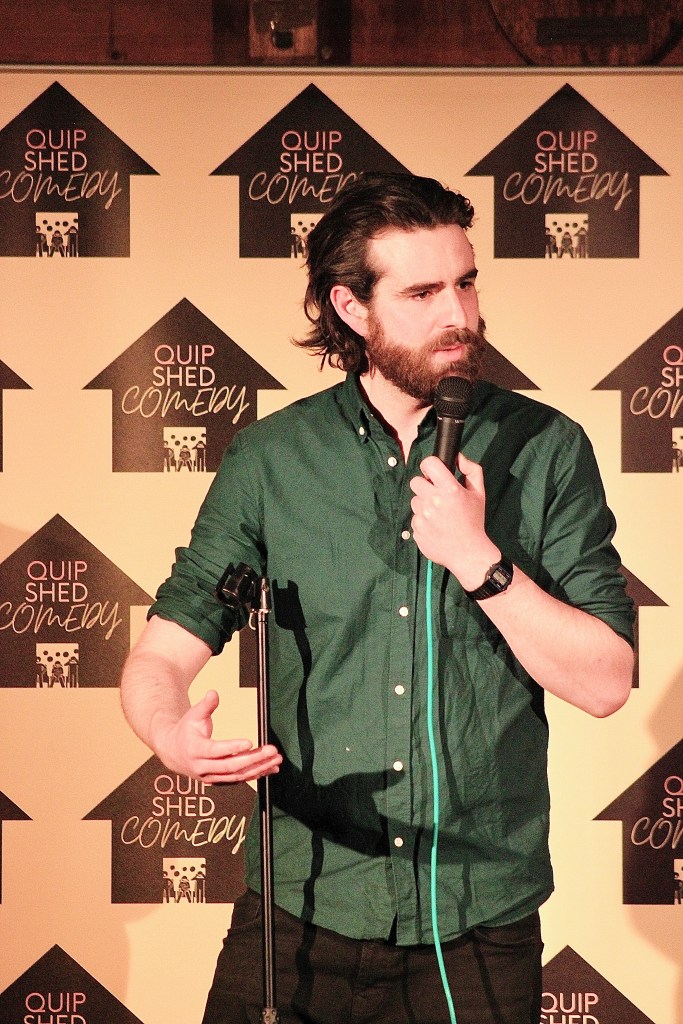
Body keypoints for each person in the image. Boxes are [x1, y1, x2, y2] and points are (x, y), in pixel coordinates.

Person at [120, 172, 634, 1024]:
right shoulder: (272, 459)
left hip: (477, 916)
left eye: (465, 282)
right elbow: (164, 651)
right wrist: (166, 731)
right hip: (303, 902)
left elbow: (606, 682)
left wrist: (478, 559)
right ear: (350, 308)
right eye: (422, 293)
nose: (458, 315)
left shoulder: (546, 448)